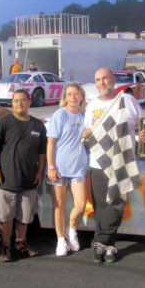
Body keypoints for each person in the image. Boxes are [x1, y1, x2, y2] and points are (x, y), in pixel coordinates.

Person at [82, 67, 145, 263]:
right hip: (98, 161)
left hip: (122, 160)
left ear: (113, 80)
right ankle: (109, 245)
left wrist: (141, 135)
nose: (102, 82)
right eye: (98, 80)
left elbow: (143, 124)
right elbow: (87, 132)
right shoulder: (92, 105)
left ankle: (100, 241)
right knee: (101, 204)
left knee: (117, 203)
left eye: (105, 78)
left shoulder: (127, 100)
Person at [0, 89, 47, 262]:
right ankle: (5, 245)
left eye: (23, 100)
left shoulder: (38, 126)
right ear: (11, 103)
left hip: (29, 180)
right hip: (6, 180)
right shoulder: (2, 123)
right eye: (15, 101)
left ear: (29, 103)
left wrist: (39, 173)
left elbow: (41, 153)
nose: (19, 104)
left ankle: (20, 243)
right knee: (5, 217)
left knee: (25, 216)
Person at [46, 83, 88, 257]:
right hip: (59, 168)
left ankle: (71, 230)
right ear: (65, 97)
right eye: (69, 94)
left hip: (78, 168)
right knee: (59, 205)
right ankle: (60, 240)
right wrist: (51, 166)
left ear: (81, 97)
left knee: (81, 204)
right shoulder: (60, 115)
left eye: (76, 94)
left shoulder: (86, 116)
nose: (73, 97)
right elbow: (51, 143)